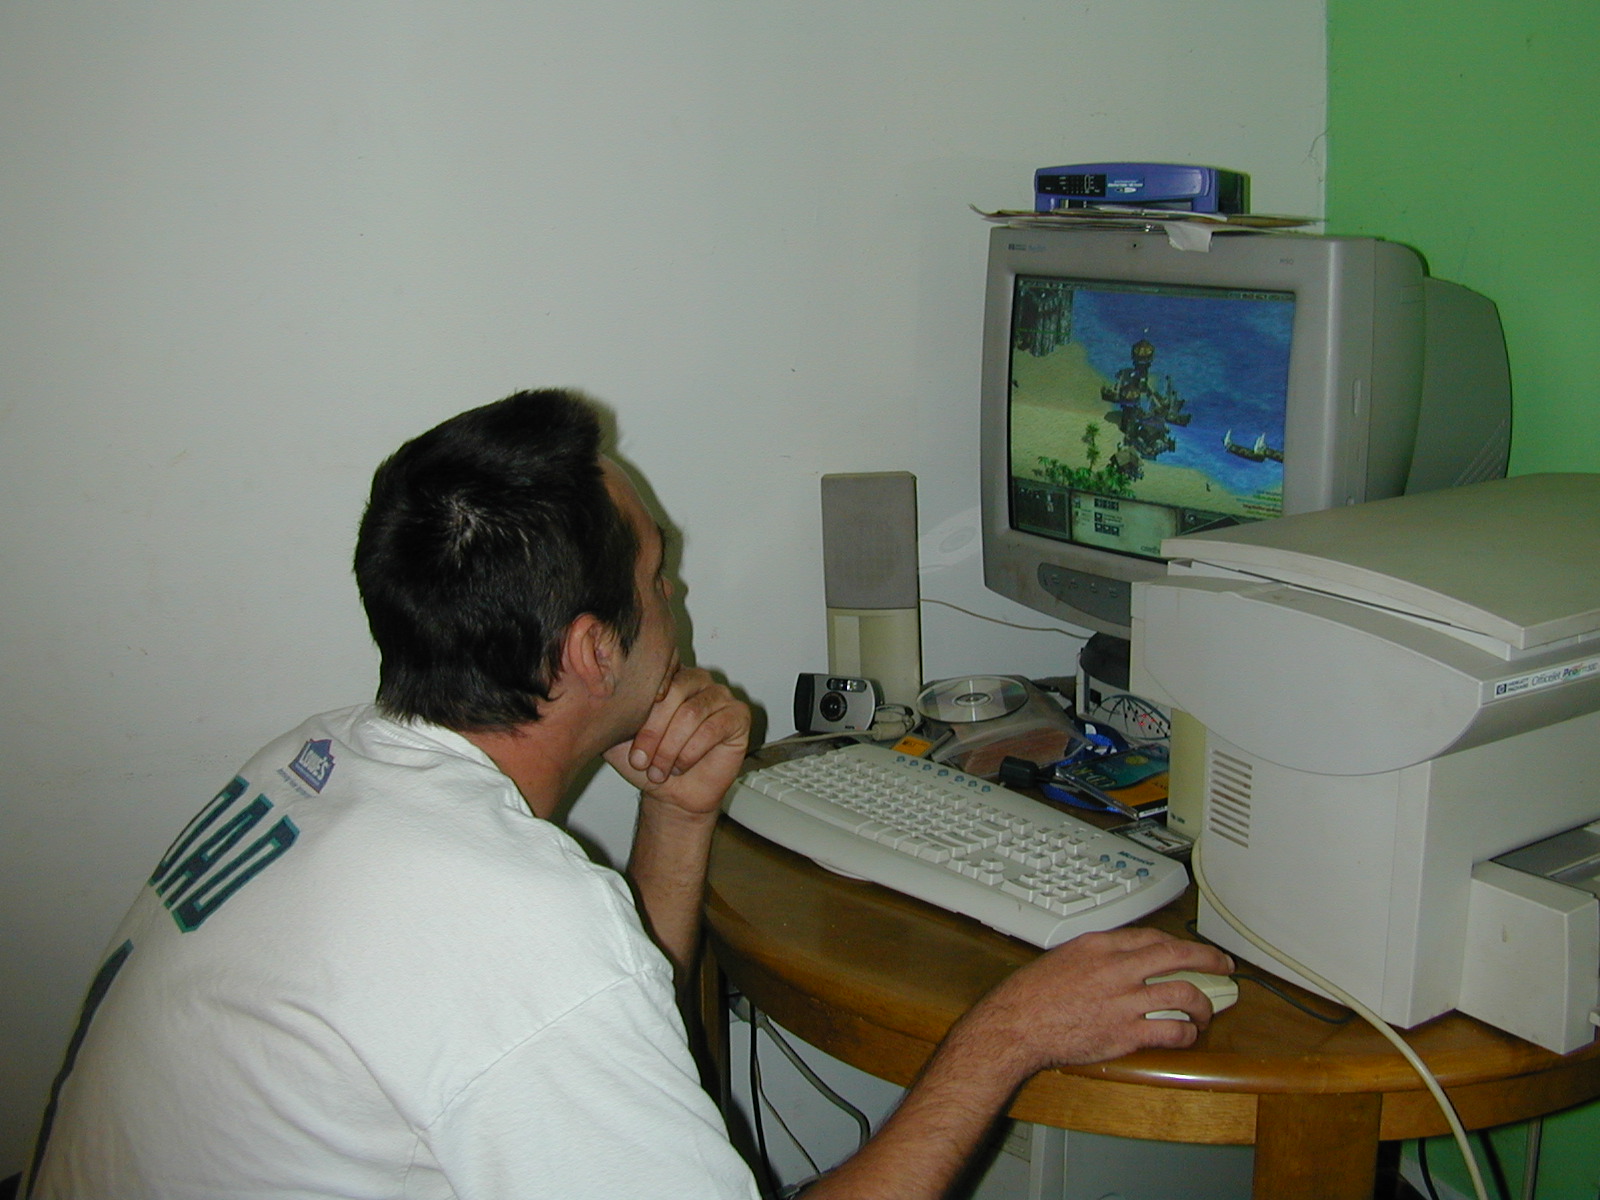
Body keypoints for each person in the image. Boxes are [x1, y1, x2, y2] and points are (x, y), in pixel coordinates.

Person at [27, 389, 1233, 1200]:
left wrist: (680, 815)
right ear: (592, 651)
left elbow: (604, 1021)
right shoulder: (516, 928)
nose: (679, 596)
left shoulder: (320, 763)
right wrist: (1007, 1036)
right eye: (659, 576)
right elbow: (559, 987)